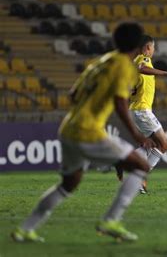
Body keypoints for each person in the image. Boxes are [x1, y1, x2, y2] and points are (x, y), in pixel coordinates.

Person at [11, 22, 155, 243]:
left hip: (68, 129)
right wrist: (136, 134)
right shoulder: (124, 66)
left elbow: (73, 94)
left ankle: (25, 229)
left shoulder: (100, 62)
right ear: (137, 45)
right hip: (88, 131)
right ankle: (111, 220)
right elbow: (119, 102)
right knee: (142, 166)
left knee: (69, 184)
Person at [115, 35, 167, 194]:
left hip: (139, 109)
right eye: (153, 47)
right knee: (164, 145)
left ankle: (123, 161)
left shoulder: (137, 60)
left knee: (150, 144)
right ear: (148, 48)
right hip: (142, 110)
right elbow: (141, 68)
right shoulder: (142, 59)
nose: (154, 51)